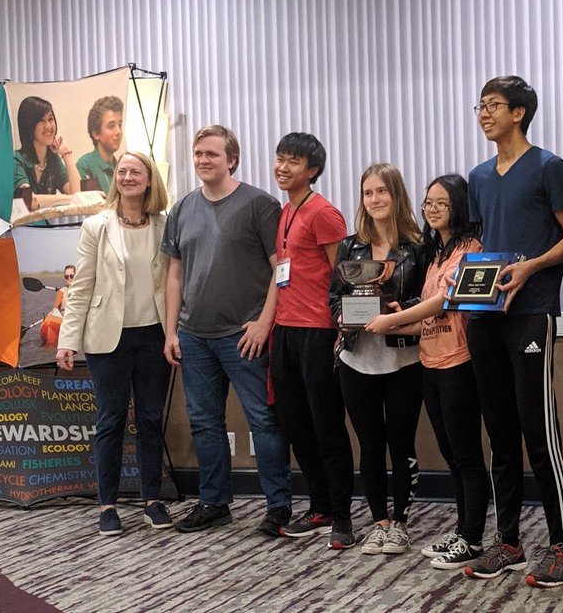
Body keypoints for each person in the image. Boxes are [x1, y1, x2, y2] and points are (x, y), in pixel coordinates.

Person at [461, 75, 563, 586]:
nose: (485, 114)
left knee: (538, 429)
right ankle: (508, 542)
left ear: (519, 113)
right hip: (484, 314)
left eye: (494, 105)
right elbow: (482, 241)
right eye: (480, 106)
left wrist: (531, 266)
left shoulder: (549, 167)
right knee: (500, 431)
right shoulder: (478, 176)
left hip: (531, 311)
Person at [161, 124, 293, 536]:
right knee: (204, 422)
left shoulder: (260, 205)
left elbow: (282, 270)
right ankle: (214, 502)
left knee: (263, 422)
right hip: (193, 336)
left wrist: (265, 322)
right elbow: (174, 274)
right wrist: (171, 331)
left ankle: (278, 506)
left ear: (231, 159)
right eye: (198, 153)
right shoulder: (182, 209)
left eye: (212, 154)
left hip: (244, 336)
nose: (203, 160)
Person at [366, 173, 489, 570]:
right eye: (428, 203)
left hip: (458, 362)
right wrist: (396, 324)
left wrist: (393, 321)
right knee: (451, 454)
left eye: (442, 203)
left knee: (466, 455)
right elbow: (427, 319)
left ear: (459, 207)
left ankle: (473, 539)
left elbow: (444, 302)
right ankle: (462, 529)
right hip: (430, 362)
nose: (432, 210)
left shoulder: (471, 249)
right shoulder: (436, 253)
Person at [56, 151, 173, 536]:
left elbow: (175, 282)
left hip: (154, 334)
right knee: (111, 420)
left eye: (135, 172)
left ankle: (152, 500)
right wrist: (67, 339)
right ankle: (107, 506)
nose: (127, 177)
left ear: (149, 180)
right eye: (122, 171)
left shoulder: (165, 225)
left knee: (151, 418)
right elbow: (82, 286)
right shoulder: (96, 226)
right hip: (109, 338)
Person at [331, 163, 426, 556]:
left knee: (401, 443)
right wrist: (341, 316)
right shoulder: (349, 246)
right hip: (357, 358)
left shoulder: (419, 246)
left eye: (381, 191)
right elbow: (334, 295)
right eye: (368, 193)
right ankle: (379, 523)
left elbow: (428, 298)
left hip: (404, 359)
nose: (374, 199)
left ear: (396, 195)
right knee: (369, 444)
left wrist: (402, 311)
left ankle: (400, 523)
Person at [267, 133, 355, 549]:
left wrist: (341, 330)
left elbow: (344, 277)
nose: (283, 168)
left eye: (293, 161)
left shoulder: (324, 213)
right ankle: (319, 506)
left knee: (327, 425)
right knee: (294, 423)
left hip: (318, 330)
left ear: (313, 169)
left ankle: (342, 516)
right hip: (284, 330)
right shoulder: (286, 211)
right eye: (280, 159)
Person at [13, 95, 81, 211]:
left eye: (50, 119)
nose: (48, 126)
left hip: (49, 222)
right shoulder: (16, 160)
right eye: (41, 121)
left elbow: (77, 194)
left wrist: (66, 154)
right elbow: (29, 201)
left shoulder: (53, 160)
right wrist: (71, 199)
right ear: (28, 125)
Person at [76, 96, 124, 194]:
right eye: (111, 126)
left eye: (120, 125)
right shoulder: (85, 165)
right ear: (96, 133)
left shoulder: (121, 167)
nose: (118, 131)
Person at [39, 265, 74, 347]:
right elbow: (55, 309)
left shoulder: (82, 290)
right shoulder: (61, 291)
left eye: (71, 276)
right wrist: (52, 314)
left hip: (76, 320)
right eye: (66, 276)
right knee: (51, 317)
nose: (69, 278)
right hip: (64, 319)